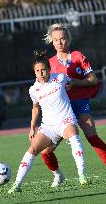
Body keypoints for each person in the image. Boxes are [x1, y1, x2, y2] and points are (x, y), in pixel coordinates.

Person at [39, 23, 106, 187]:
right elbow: (43, 88)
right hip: (61, 111)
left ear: (68, 39)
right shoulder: (49, 63)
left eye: (62, 38)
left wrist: (74, 83)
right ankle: (58, 175)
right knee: (45, 151)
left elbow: (94, 79)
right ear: (52, 41)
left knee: (92, 135)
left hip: (79, 104)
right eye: (56, 40)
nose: (60, 42)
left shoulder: (77, 56)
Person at [8, 50, 88, 194]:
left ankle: (82, 175)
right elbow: (35, 108)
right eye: (38, 71)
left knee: (74, 136)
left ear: (49, 69)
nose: (41, 73)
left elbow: (71, 83)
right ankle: (16, 185)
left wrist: (72, 86)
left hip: (66, 120)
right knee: (32, 150)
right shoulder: (34, 90)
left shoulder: (61, 77)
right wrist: (32, 127)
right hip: (48, 126)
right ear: (34, 72)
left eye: (43, 70)